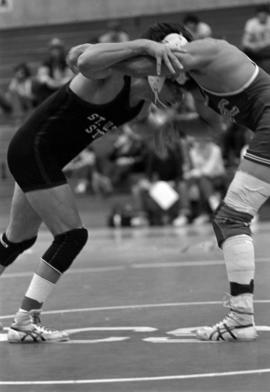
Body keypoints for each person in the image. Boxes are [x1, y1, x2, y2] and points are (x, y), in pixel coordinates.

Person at [0, 22, 188, 343]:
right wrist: (147, 45)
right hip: (34, 150)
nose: (180, 95)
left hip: (37, 155)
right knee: (72, 237)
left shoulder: (140, 106)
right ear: (158, 73)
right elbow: (83, 59)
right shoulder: (113, 75)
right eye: (177, 86)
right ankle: (25, 319)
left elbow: (142, 130)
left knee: (17, 241)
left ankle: (24, 319)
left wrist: (164, 131)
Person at [144, 29, 270, 341]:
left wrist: (127, 53)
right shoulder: (203, 87)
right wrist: (175, 125)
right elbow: (211, 128)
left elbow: (159, 62)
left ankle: (241, 319)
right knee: (232, 219)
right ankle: (241, 318)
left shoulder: (210, 48)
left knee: (231, 219)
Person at [242, 5, 270, 73]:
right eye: (260, 16)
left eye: (264, 15)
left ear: (267, 15)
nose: (262, 18)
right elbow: (245, 42)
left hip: (267, 47)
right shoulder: (251, 23)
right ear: (257, 16)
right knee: (245, 51)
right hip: (256, 49)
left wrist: (261, 45)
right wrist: (253, 46)